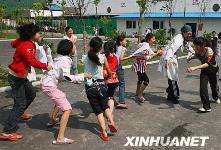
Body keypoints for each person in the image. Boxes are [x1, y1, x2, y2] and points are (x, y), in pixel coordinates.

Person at [0, 23, 52, 141]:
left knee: (31, 94)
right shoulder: (26, 45)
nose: (40, 34)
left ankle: (19, 113)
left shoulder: (26, 42)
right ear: (32, 35)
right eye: (38, 33)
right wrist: (46, 66)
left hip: (21, 76)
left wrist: (21, 38)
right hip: (16, 77)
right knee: (20, 103)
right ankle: (7, 131)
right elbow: (32, 61)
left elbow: (13, 44)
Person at [41, 39, 91, 144]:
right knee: (67, 109)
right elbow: (67, 77)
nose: (75, 48)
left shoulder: (60, 57)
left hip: (47, 84)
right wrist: (83, 76)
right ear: (69, 49)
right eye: (74, 46)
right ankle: (60, 138)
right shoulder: (66, 60)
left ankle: (53, 120)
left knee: (62, 96)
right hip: (49, 86)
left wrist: (48, 51)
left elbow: (61, 75)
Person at [82, 37, 118, 141]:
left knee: (98, 111)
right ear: (100, 47)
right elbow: (109, 70)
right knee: (105, 106)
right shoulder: (102, 57)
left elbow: (82, 62)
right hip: (102, 85)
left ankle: (104, 133)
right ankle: (111, 122)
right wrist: (111, 74)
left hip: (90, 87)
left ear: (91, 47)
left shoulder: (85, 57)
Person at [158, 25, 195, 104]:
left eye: (190, 34)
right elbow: (172, 48)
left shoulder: (184, 39)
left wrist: (195, 53)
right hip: (170, 58)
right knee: (173, 78)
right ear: (183, 33)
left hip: (172, 58)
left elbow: (188, 47)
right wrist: (168, 59)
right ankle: (175, 95)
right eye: (188, 33)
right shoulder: (179, 38)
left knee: (171, 77)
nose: (190, 35)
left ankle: (170, 93)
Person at [186, 37, 220, 112]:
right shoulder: (197, 50)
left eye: (196, 45)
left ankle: (216, 97)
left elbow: (207, 63)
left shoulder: (209, 50)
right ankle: (207, 107)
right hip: (204, 71)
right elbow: (197, 55)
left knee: (213, 86)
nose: (195, 47)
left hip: (213, 70)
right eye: (194, 45)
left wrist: (195, 68)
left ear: (202, 45)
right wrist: (190, 58)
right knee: (203, 88)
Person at [132, 33, 163, 103]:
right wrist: (157, 54)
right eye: (153, 39)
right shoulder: (146, 46)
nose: (154, 40)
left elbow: (151, 53)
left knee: (140, 79)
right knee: (146, 80)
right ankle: (140, 95)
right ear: (149, 40)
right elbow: (147, 57)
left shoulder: (145, 45)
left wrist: (156, 53)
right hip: (140, 65)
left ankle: (137, 92)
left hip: (139, 64)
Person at [115, 35, 133, 109]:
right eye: (125, 40)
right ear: (121, 42)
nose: (126, 42)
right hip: (118, 66)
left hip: (113, 66)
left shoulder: (115, 47)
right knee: (121, 83)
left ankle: (109, 98)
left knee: (114, 83)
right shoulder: (123, 48)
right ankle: (121, 101)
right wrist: (130, 57)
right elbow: (121, 58)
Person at [103, 41, 119, 118]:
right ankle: (110, 113)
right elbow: (116, 65)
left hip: (104, 77)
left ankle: (104, 109)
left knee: (104, 94)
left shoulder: (103, 56)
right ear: (113, 48)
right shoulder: (114, 57)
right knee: (110, 96)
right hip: (113, 78)